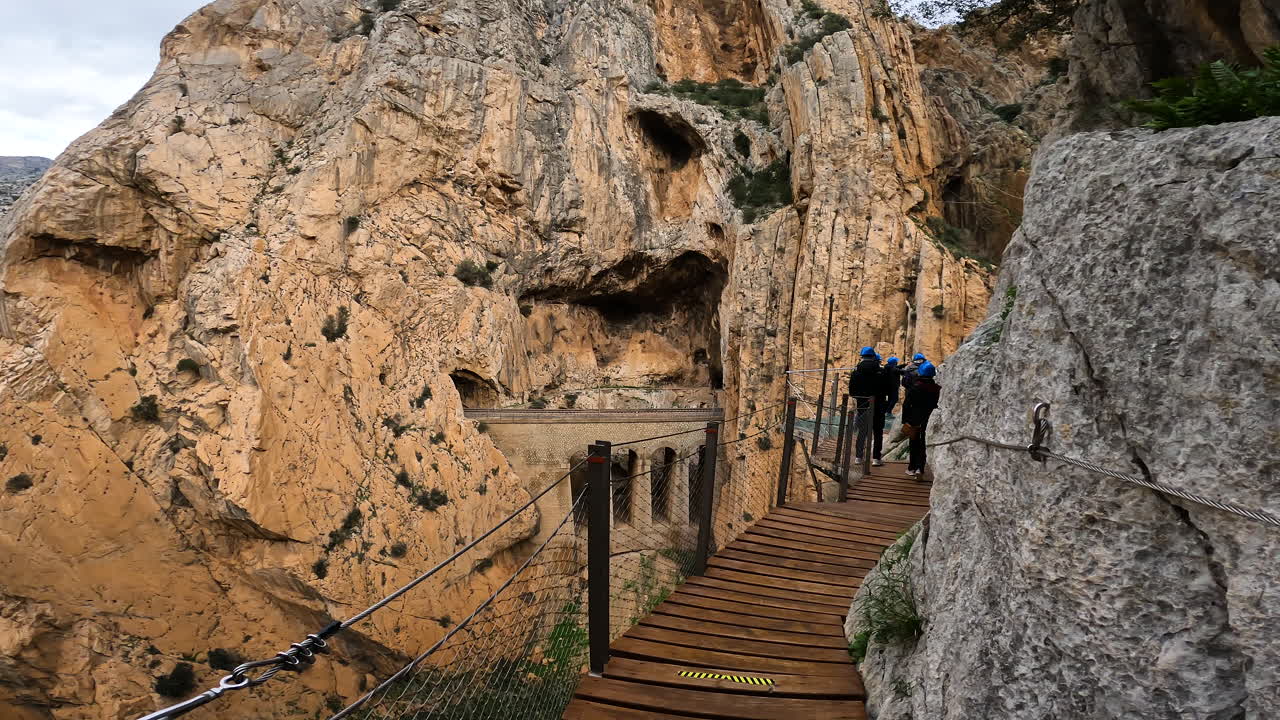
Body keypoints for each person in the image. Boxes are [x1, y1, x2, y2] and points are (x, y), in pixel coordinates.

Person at [902, 361, 940, 478]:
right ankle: (920, 468)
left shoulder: (915, 387)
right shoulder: (937, 388)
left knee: (914, 442)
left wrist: (905, 420)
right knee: (924, 443)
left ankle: (912, 467)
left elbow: (906, 405)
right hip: (929, 418)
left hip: (915, 418)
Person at [848, 347, 882, 465]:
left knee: (862, 430)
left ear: (862, 357)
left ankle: (858, 457)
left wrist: (861, 396)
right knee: (877, 431)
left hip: (862, 404)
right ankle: (876, 458)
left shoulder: (856, 372)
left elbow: (852, 391)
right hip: (878, 404)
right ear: (873, 357)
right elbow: (884, 389)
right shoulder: (880, 372)